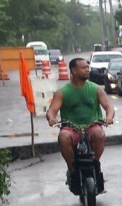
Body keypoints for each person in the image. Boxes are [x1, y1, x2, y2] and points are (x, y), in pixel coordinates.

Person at [46, 58, 115, 189]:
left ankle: (95, 163)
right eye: (83, 68)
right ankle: (73, 169)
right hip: (71, 128)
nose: (87, 69)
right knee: (63, 137)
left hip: (92, 125)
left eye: (87, 67)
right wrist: (51, 118)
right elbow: (52, 110)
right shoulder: (62, 92)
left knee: (100, 134)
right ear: (73, 70)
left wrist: (109, 117)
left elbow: (108, 106)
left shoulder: (95, 89)